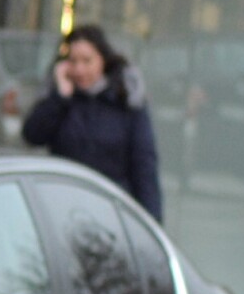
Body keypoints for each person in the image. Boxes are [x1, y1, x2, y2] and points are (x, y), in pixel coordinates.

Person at [19, 24, 162, 220]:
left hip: (113, 213)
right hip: (64, 211)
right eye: (73, 61)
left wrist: (152, 222)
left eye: (87, 61)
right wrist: (60, 96)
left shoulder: (126, 99)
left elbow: (144, 166)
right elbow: (32, 136)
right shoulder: (61, 99)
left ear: (103, 59)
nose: (79, 69)